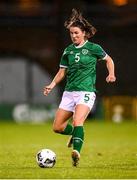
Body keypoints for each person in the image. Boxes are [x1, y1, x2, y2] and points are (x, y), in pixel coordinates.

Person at [43, 9, 116, 167]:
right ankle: (75, 135)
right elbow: (62, 71)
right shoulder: (68, 50)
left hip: (86, 92)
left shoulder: (93, 48)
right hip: (69, 93)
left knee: (78, 121)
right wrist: (52, 84)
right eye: (71, 33)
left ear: (84, 33)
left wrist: (111, 74)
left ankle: (76, 153)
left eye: (76, 33)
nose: (74, 36)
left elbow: (109, 59)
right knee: (57, 127)